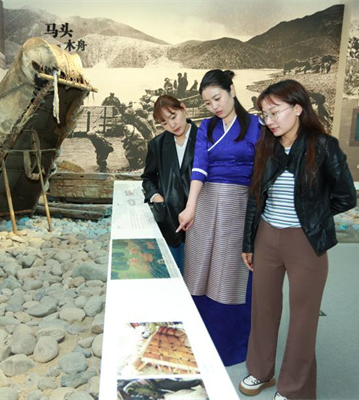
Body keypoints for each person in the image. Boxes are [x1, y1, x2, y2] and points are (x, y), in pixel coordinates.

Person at [238, 80, 356, 400]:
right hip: (266, 237)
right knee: (263, 309)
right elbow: (255, 198)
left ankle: (293, 388)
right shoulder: (267, 146)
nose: (269, 121)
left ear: (298, 108)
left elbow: (346, 196)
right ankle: (261, 371)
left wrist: (313, 216)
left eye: (275, 112)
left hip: (305, 241)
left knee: (303, 317)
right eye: (264, 115)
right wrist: (248, 243)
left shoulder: (323, 146)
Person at [176, 69, 261, 366]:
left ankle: (228, 346)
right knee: (198, 268)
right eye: (208, 103)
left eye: (218, 98)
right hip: (206, 201)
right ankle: (197, 341)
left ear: (231, 90)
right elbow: (199, 167)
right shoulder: (207, 127)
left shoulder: (257, 126)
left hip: (238, 204)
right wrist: (190, 206)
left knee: (229, 273)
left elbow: (261, 173)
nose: (214, 106)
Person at [142, 95, 197, 272]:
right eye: (164, 123)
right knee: (172, 271)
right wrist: (156, 197)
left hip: (199, 217)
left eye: (173, 116)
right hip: (169, 218)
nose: (172, 125)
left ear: (183, 108)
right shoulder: (157, 144)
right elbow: (148, 178)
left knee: (197, 273)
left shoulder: (205, 139)